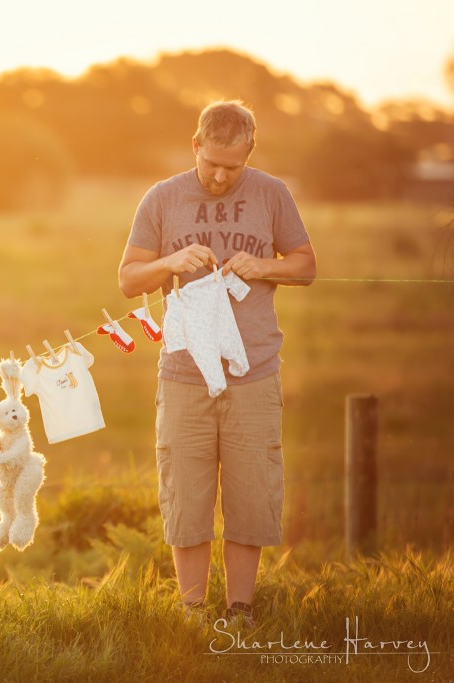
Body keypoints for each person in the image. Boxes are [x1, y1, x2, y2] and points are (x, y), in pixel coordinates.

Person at [117, 100, 316, 625]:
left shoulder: (272, 193)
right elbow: (128, 279)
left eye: (234, 166)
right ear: (195, 146)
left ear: (250, 152)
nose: (222, 176)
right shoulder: (161, 199)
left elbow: (305, 265)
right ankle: (191, 610)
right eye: (212, 165)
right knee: (186, 491)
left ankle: (240, 609)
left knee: (251, 491)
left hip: (255, 371)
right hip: (183, 372)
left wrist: (265, 265)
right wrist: (170, 262)